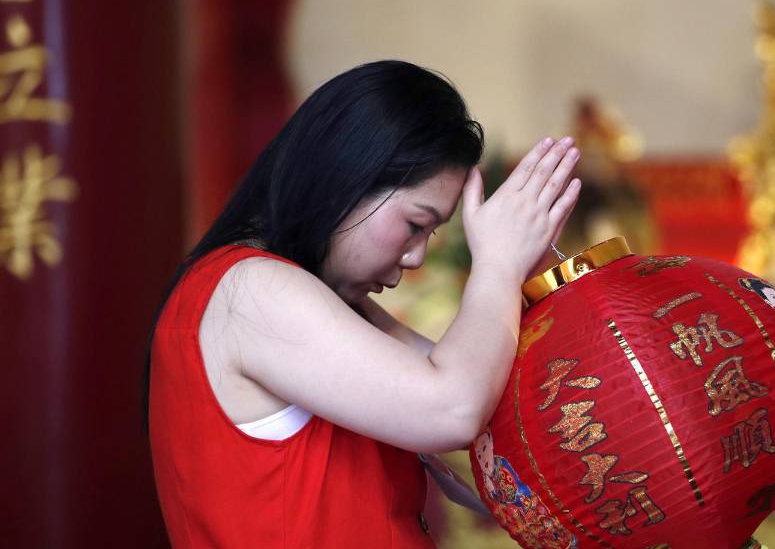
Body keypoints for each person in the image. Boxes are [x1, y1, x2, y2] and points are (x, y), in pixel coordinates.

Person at [147, 60, 581, 547]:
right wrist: (497, 265)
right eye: (416, 225)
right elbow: (451, 410)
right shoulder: (249, 290)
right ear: (347, 176)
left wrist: (519, 263)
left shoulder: (312, 292)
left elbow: (486, 398)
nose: (416, 257)